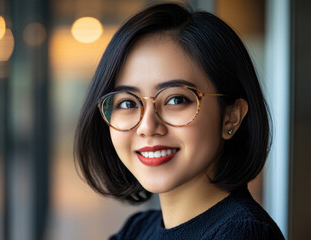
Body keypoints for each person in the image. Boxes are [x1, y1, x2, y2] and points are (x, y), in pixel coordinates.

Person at [74, 2, 285, 239]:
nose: (147, 127)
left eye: (176, 100)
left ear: (231, 116)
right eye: (128, 103)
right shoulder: (137, 230)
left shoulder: (243, 233)